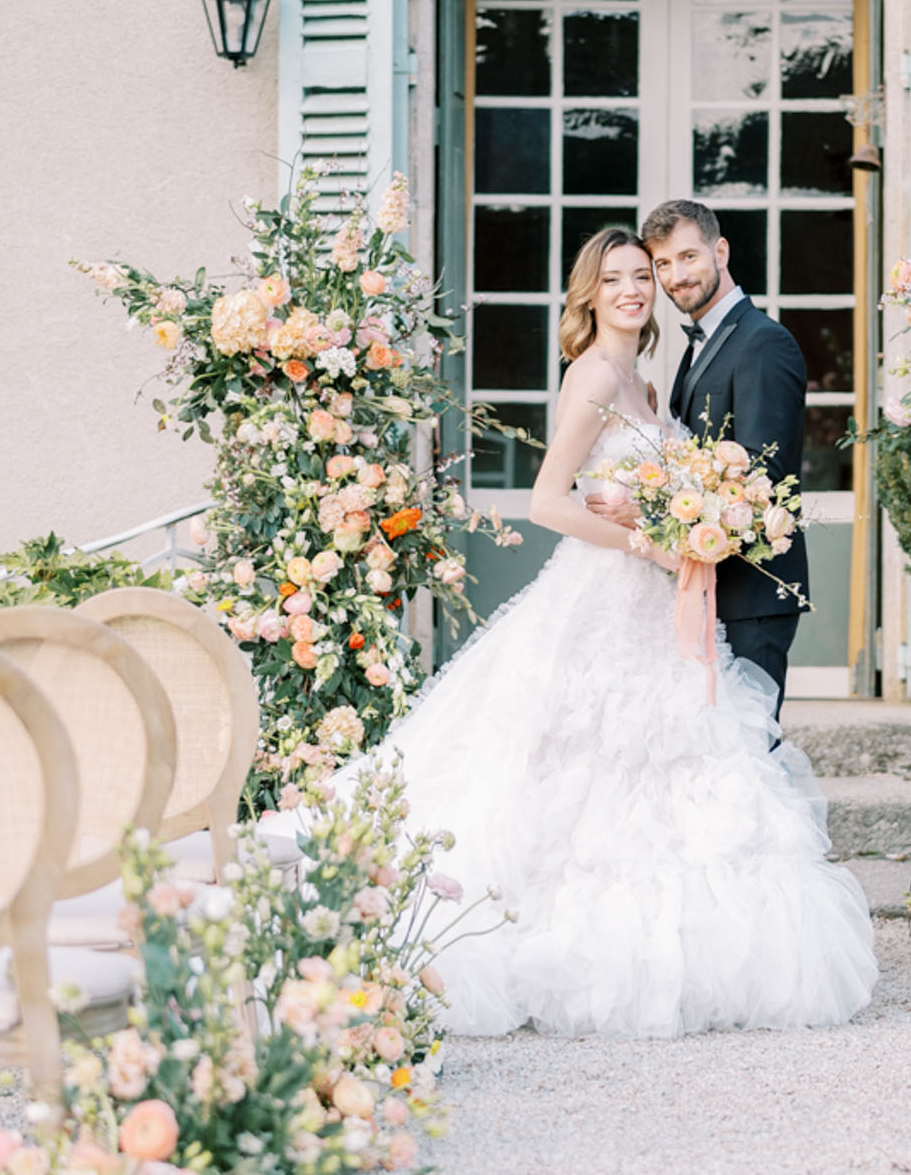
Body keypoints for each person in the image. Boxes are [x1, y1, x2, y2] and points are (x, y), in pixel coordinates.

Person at [271, 226, 875, 1039]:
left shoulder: (649, 382)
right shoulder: (592, 375)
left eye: (644, 275)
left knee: (661, 762)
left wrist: (670, 526)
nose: (635, 288)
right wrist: (645, 540)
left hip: (657, 603)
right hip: (603, 594)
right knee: (565, 760)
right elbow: (548, 502)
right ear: (589, 293)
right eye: (618, 277)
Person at [587, 200, 810, 728]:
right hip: (708, 586)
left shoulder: (762, 342)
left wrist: (654, 510)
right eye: (662, 265)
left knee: (748, 752)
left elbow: (763, 477)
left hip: (750, 593)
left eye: (688, 257)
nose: (676, 276)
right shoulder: (699, 348)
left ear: (720, 250)